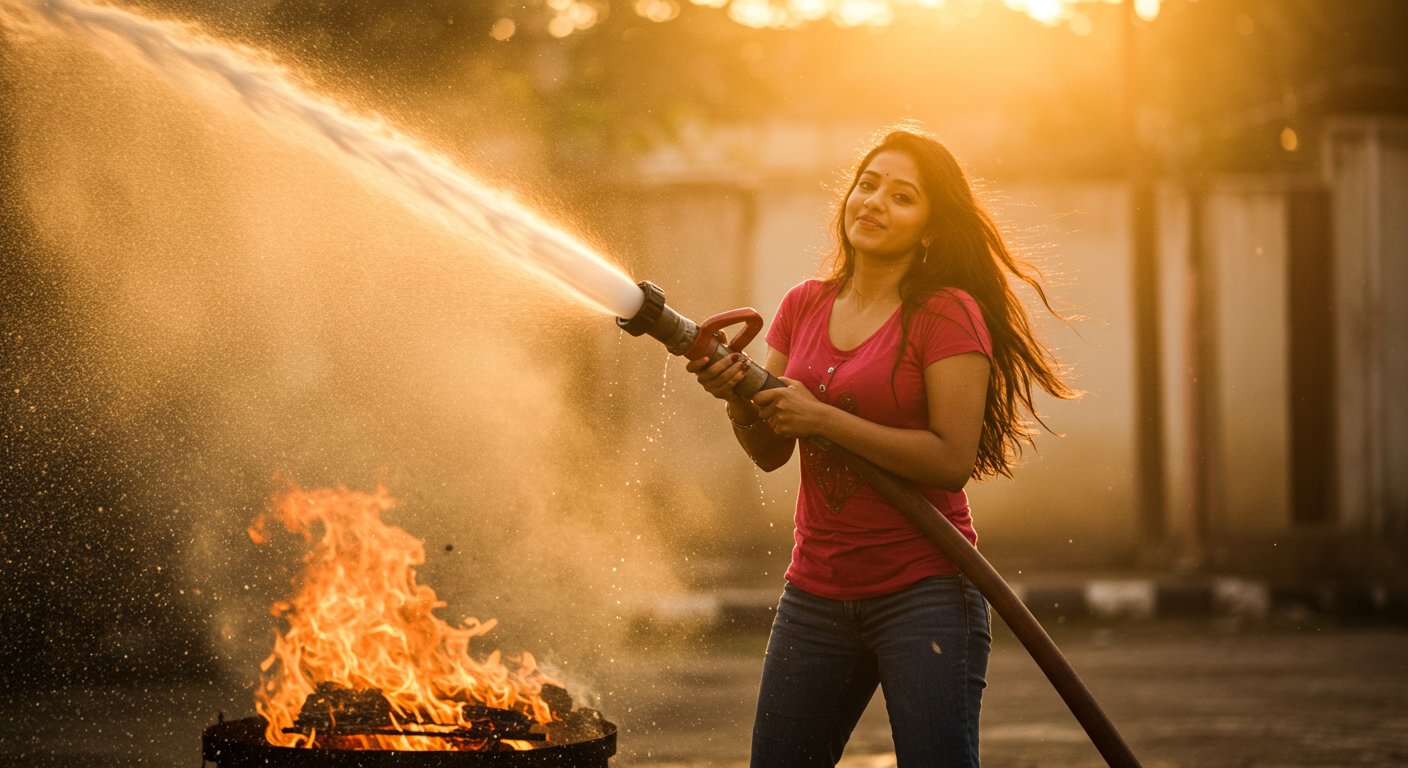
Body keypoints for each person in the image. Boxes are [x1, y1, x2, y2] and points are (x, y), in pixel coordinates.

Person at [686, 125, 1076, 767]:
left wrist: (823, 419)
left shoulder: (946, 313)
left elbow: (951, 460)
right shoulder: (803, 304)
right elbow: (772, 451)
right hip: (814, 592)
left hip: (925, 593)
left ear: (930, 229)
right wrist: (736, 399)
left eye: (902, 196)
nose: (874, 202)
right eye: (867, 185)